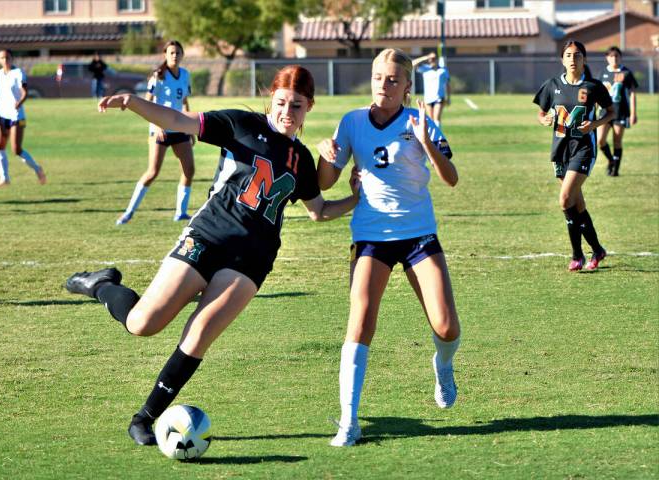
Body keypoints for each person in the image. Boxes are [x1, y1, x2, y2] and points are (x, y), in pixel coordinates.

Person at [64, 65, 360, 446]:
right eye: (282, 102)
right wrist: (134, 102)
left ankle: (145, 417)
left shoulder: (301, 158)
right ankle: (101, 285)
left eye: (297, 106)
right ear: (271, 99)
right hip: (208, 236)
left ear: (309, 108)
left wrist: (355, 198)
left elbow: (317, 209)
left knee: (200, 331)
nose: (289, 112)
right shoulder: (239, 124)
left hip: (253, 259)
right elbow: (177, 119)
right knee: (143, 323)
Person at [317, 48, 461, 447]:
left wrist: (425, 142)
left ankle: (443, 366)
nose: (384, 84)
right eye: (379, 76)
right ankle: (349, 421)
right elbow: (326, 182)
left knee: (446, 327)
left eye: (393, 79)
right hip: (370, 236)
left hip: (418, 234)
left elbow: (451, 178)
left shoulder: (421, 121)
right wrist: (326, 156)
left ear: (406, 87)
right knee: (360, 321)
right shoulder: (351, 122)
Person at [533, 40, 615, 272]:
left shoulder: (593, 86)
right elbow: (541, 112)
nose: (572, 59)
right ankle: (597, 250)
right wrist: (544, 119)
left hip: (583, 149)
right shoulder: (552, 85)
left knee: (565, 198)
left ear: (584, 59)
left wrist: (595, 124)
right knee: (576, 204)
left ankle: (577, 254)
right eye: (568, 55)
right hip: (560, 149)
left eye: (577, 55)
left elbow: (611, 112)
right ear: (562, 59)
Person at [116, 40, 195, 225]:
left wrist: (190, 126)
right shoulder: (158, 76)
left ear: (182, 55)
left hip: (179, 126)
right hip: (159, 130)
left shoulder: (185, 75)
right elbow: (146, 103)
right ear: (165, 55)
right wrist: (157, 125)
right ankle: (128, 212)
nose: (175, 56)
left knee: (189, 170)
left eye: (177, 52)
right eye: (171, 53)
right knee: (152, 172)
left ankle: (180, 212)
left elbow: (184, 102)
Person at [0, 48, 46, 189]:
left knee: (16, 149)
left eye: (8, 57)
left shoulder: (18, 73)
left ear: (12, 58)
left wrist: (19, 103)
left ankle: (37, 169)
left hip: (16, 115)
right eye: (2, 58)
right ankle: (4, 177)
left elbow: (25, 92)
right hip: (2, 115)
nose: (5, 60)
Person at [597, 46, 638, 177]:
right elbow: (598, 94)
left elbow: (632, 93)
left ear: (620, 57)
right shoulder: (602, 73)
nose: (614, 58)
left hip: (621, 112)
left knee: (617, 141)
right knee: (600, 140)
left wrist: (633, 113)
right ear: (607, 58)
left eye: (616, 56)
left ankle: (615, 170)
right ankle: (611, 160)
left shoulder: (626, 73)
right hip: (604, 112)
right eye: (611, 56)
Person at [412, 51, 450, 126]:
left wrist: (448, 98)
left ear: (437, 59)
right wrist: (425, 57)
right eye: (431, 59)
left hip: (439, 98)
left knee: (437, 119)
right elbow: (412, 64)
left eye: (434, 58)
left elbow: (447, 84)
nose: (433, 60)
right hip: (428, 98)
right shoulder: (425, 68)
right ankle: (433, 137)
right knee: (431, 120)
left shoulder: (443, 70)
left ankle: (439, 137)